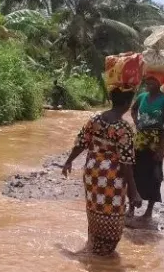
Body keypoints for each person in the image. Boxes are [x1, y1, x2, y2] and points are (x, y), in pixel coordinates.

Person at [61, 88, 142, 257]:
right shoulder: (124, 128)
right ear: (128, 103)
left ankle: (92, 246)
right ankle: (103, 254)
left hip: (92, 171)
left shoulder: (95, 119)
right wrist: (133, 193)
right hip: (112, 177)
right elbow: (126, 163)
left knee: (94, 208)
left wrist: (69, 161)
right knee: (111, 213)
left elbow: (81, 142)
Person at [128, 76, 164, 223]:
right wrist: (137, 121)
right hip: (140, 140)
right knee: (134, 172)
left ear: (160, 82)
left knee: (154, 175)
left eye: (153, 81)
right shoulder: (142, 96)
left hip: (155, 141)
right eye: (147, 81)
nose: (148, 84)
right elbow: (133, 109)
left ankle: (148, 211)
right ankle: (131, 208)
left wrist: (161, 149)